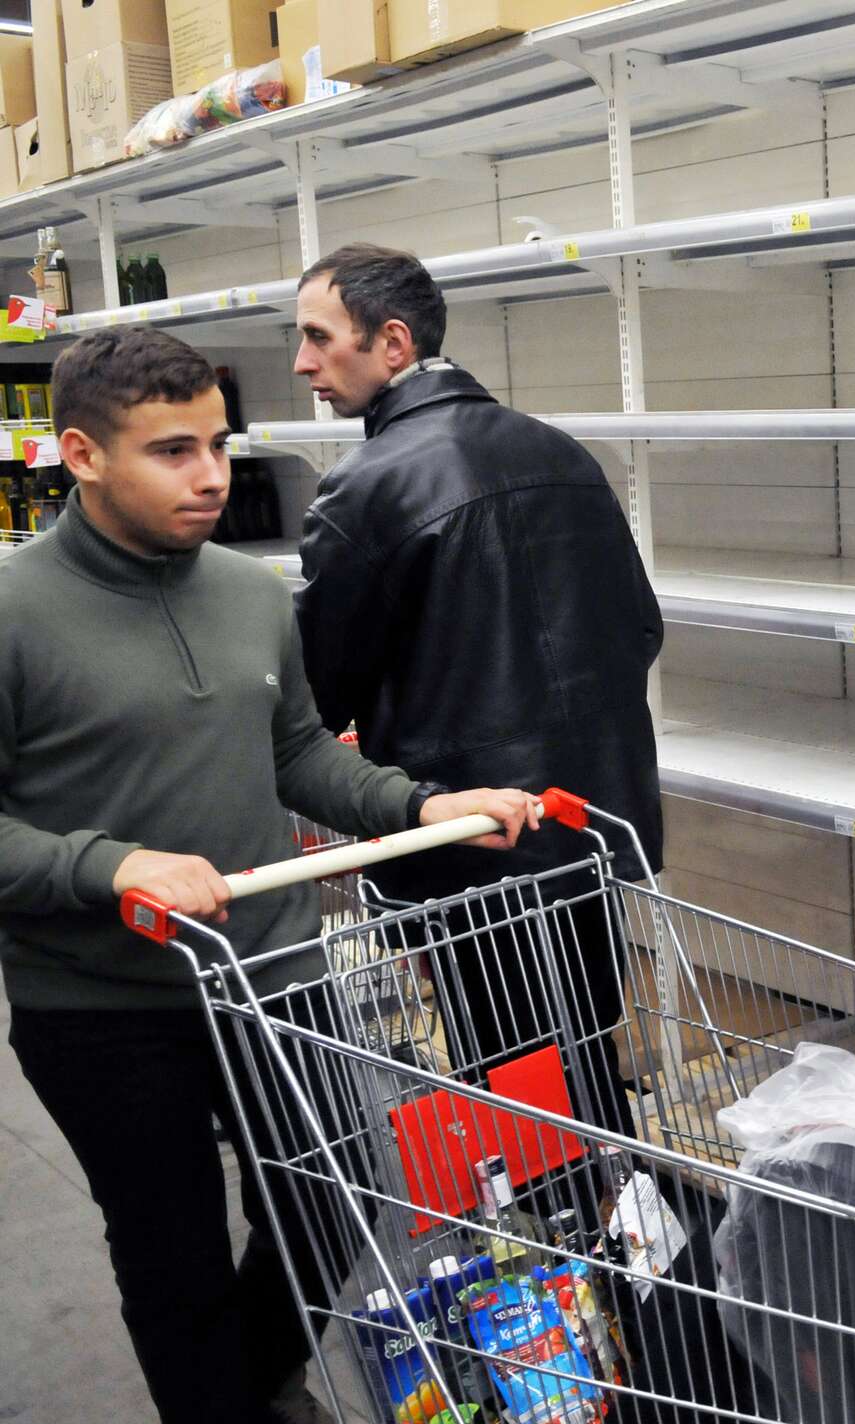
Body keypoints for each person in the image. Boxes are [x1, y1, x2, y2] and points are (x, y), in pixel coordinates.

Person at [0, 326, 539, 1424]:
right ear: (82, 456)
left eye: (217, 444)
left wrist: (420, 805)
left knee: (338, 1201)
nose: (210, 475)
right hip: (103, 1003)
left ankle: (241, 1391)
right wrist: (112, 864)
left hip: (276, 970)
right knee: (173, 1253)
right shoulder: (13, 615)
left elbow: (295, 750)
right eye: (172, 451)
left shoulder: (251, 592)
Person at [291, 243, 663, 1138]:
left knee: (508, 1062)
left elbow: (319, 689)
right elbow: (640, 627)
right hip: (584, 823)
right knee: (583, 1035)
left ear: (392, 342)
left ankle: (567, 1208)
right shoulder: (562, 452)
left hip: (468, 840)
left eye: (317, 336)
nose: (302, 362)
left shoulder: (365, 488)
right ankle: (615, 1198)